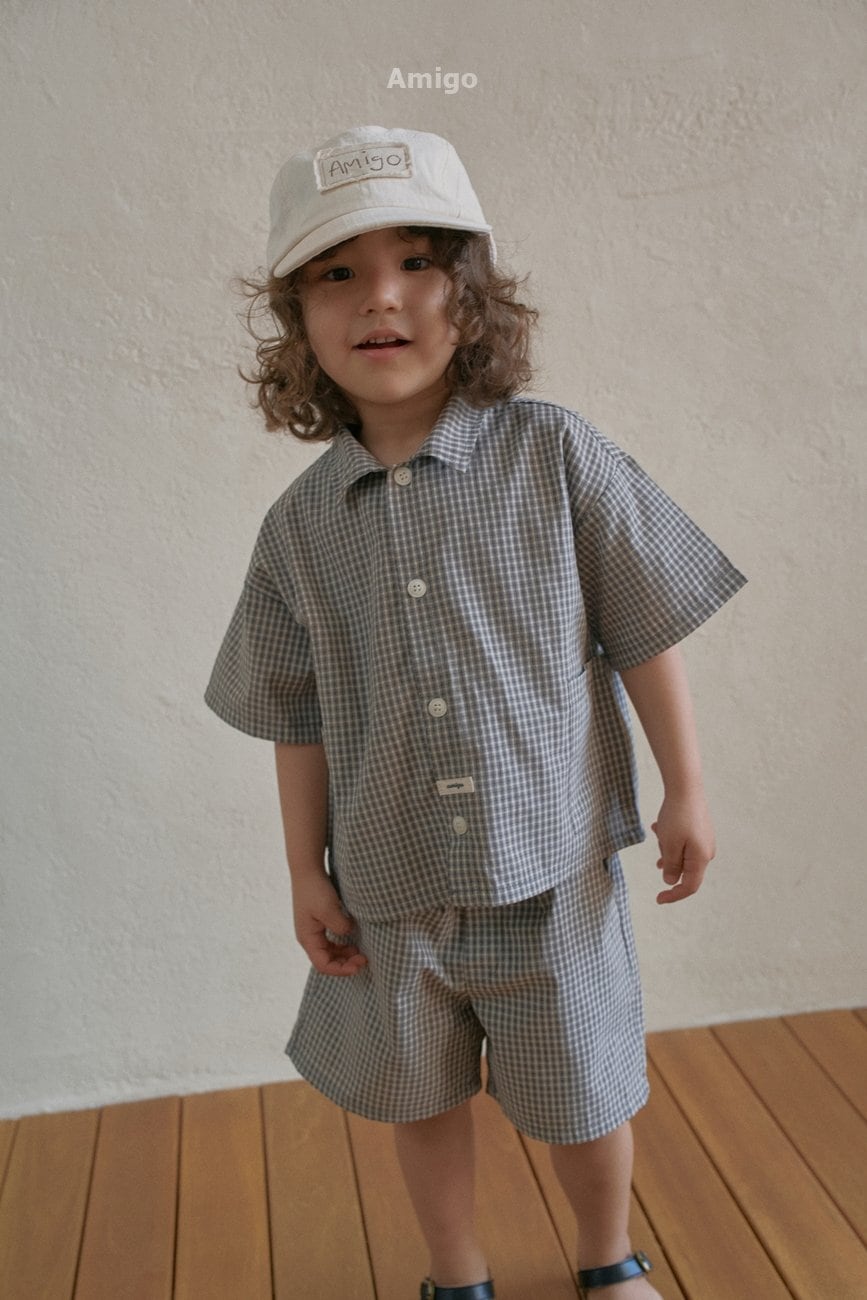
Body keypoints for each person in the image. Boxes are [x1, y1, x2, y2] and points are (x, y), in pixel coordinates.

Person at [205, 124, 747, 1300]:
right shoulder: (298, 529)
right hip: (390, 886)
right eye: (337, 273)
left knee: (587, 1090)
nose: (380, 297)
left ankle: (607, 1258)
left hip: (552, 866)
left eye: (416, 262)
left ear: (473, 294)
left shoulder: (556, 455)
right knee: (420, 1096)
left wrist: (688, 786)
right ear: (299, 320)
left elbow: (641, 624)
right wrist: (303, 870)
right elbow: (296, 715)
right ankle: (455, 1272)